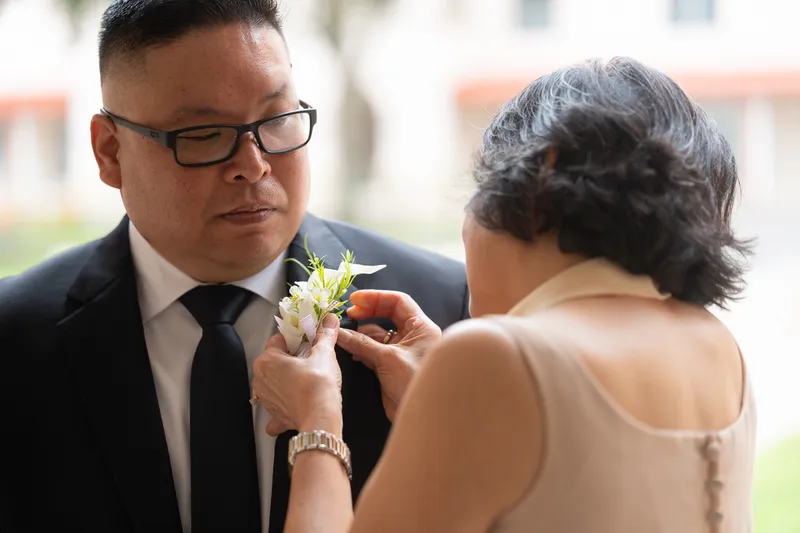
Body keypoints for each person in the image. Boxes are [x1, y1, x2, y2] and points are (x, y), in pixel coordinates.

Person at [0, 2, 469, 532]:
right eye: (202, 135)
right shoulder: (15, 336)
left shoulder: (442, 314)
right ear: (110, 153)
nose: (253, 164)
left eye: (278, 118)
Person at [252, 57, 757, 533]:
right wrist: (438, 405)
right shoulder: (720, 347)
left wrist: (318, 422)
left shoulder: (495, 356)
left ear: (540, 176)